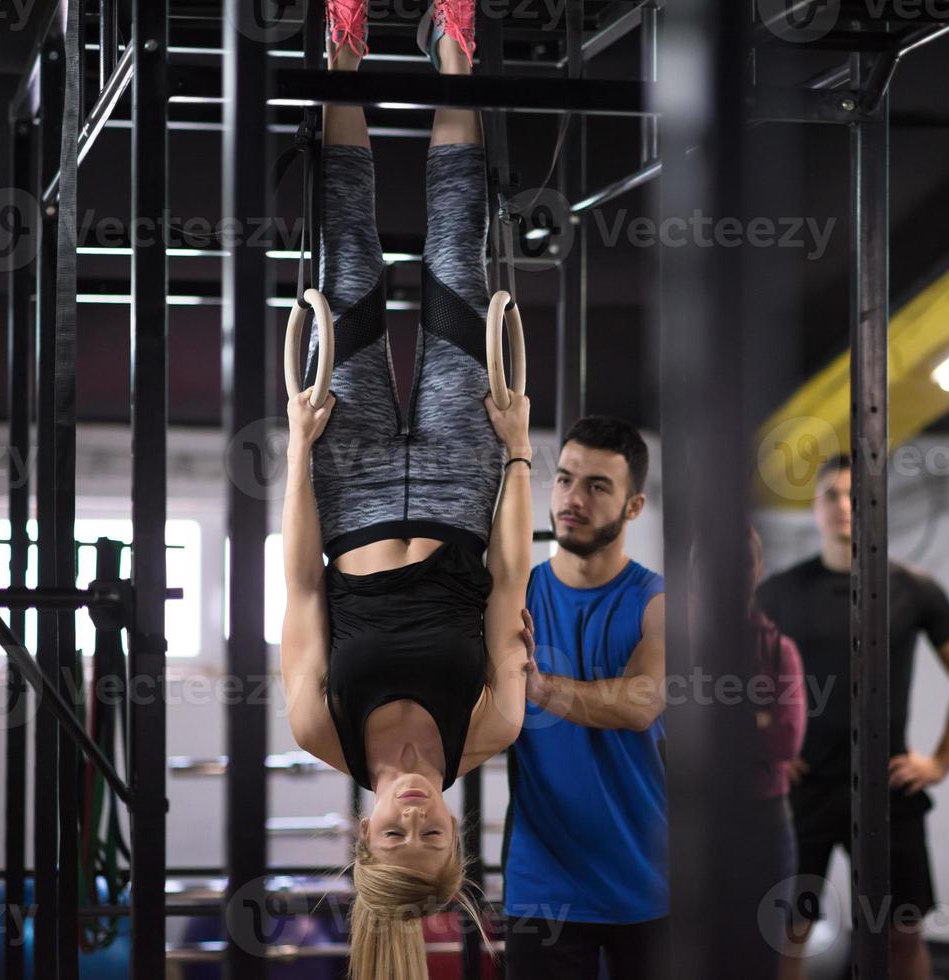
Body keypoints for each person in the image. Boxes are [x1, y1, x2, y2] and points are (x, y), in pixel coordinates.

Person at [277, 4, 532, 976]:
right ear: (459, 841)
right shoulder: (492, 722)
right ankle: (454, 39)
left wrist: (300, 451)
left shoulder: (317, 724)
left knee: (350, 261)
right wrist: (516, 454)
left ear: (363, 829)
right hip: (469, 478)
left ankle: (342, 47)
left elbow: (302, 585)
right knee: (452, 259)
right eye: (432, 839)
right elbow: (509, 584)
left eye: (395, 837)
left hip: (346, 486)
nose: (415, 818)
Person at [756, 454, 949, 980]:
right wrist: (768, 748)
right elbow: (733, 683)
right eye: (830, 496)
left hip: (886, 785)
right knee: (786, 931)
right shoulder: (778, 593)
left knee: (901, 933)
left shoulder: (913, 589)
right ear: (815, 509)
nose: (843, 507)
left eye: (854, 496)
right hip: (805, 786)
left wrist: (940, 762)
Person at [503, 416, 668, 979]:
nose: (574, 499)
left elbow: (642, 701)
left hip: (644, 883)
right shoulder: (513, 596)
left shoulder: (658, 603)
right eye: (566, 479)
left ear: (634, 506)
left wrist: (541, 688)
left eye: (598, 486)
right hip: (542, 885)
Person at [747, 526, 808, 964]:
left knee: (762, 957)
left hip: (763, 820)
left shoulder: (777, 649)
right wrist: (756, 714)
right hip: (684, 817)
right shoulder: (668, 643)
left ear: (758, 571)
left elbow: (786, 739)